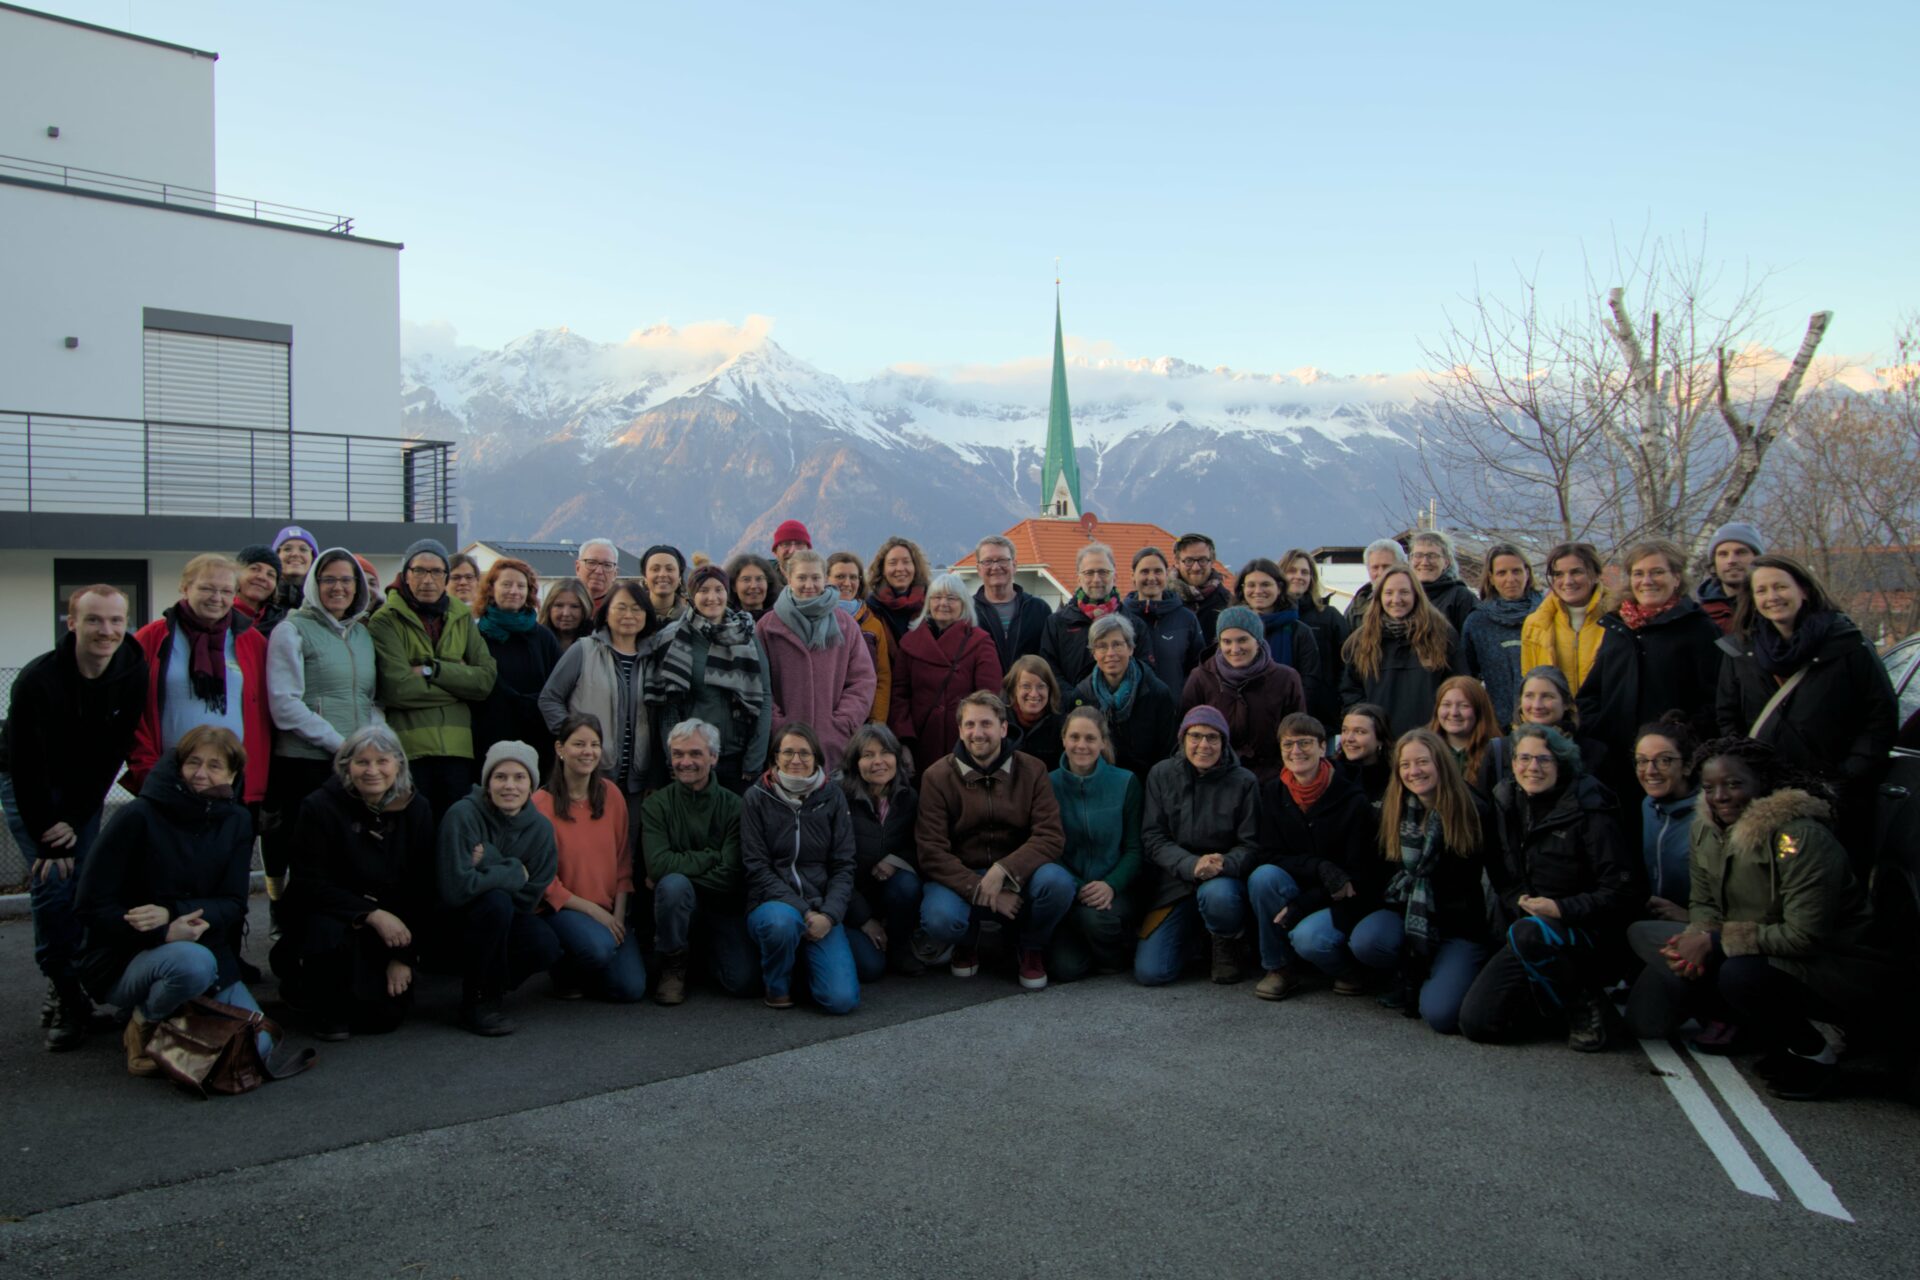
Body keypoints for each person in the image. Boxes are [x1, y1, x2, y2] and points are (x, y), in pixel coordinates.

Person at [1625, 738, 1889, 1101]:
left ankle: (1817, 1055)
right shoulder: (1706, 827)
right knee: (1650, 938)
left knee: (1740, 975)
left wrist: (1714, 942)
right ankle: (1765, 1035)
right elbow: (1703, 902)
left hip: (1833, 965)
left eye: (1734, 784)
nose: (1720, 796)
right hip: (1753, 948)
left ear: (1762, 783)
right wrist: (1696, 936)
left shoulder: (1799, 837)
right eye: (1710, 787)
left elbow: (1804, 936)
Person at [73, 727, 268, 1077]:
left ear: (233, 775)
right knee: (190, 963)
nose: (201, 773)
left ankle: (178, 1014)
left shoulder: (237, 821)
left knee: (259, 1047)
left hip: (207, 952)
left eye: (215, 765)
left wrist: (173, 913)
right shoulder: (138, 816)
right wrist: (163, 932)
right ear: (177, 766)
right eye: (193, 762)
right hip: (125, 957)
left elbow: (234, 902)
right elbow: (89, 905)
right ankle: (143, 1020)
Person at [0, 584, 145, 1050]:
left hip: (83, 785)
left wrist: (80, 813)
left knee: (81, 884)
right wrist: (49, 832)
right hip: (30, 784)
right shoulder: (38, 679)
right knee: (53, 881)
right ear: (72, 623)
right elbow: (25, 763)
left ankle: (72, 983)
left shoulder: (132, 669)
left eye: (116, 621)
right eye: (94, 620)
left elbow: (113, 751)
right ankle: (64, 992)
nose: (107, 630)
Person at [1459, 725, 1635, 1051]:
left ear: (1562, 763)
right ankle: (1553, 1004)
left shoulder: (1590, 806)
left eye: (1544, 760)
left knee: (1530, 934)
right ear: (1512, 763)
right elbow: (1500, 871)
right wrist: (1519, 900)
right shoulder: (1506, 797)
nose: (1533, 768)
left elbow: (1621, 892)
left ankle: (1585, 1003)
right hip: (1529, 928)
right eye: (1524, 758)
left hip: (1588, 933)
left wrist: (1560, 909)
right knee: (1477, 1023)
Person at [1715, 554, 1897, 861]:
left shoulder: (1847, 644)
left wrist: (1847, 775)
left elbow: (1880, 715)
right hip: (1764, 798)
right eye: (1762, 590)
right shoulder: (1739, 651)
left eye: (1780, 587)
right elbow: (1728, 715)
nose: (1772, 597)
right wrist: (1746, 770)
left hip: (1836, 797)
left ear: (1804, 590)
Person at [273, 725, 435, 1040]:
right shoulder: (319, 806)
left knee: (383, 1019)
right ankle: (311, 992)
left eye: (382, 761)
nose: (372, 770)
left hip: (391, 925)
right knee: (332, 993)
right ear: (346, 766)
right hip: (330, 915)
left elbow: (423, 887)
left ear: (398, 764)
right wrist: (370, 914)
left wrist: (404, 957)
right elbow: (309, 882)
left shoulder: (417, 808)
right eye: (362, 762)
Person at [916, 691, 1072, 989]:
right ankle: (967, 939)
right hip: (962, 875)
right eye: (970, 725)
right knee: (940, 917)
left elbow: (1050, 836)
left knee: (1058, 883)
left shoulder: (1033, 770)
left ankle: (1030, 947)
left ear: (1003, 727)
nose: (978, 733)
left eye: (986, 724)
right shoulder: (936, 777)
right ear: (960, 730)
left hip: (1018, 873)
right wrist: (982, 890)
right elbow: (931, 851)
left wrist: (1003, 871)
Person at [264, 547, 381, 935]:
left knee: (343, 858)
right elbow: (284, 704)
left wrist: (374, 746)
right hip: (305, 764)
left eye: (347, 580)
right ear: (315, 583)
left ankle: (336, 936)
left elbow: (368, 700)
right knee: (305, 857)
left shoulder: (362, 634)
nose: (338, 587)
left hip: (353, 766)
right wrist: (342, 745)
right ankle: (292, 938)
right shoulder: (292, 629)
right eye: (328, 579)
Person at [1346, 729, 1490, 1034]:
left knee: (1439, 1014)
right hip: (1409, 914)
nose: (1414, 772)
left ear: (1440, 763)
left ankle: (1452, 970)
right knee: (1366, 940)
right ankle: (1411, 971)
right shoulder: (1395, 810)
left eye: (1422, 762)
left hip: (1459, 927)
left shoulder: (1473, 810)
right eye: (1405, 765)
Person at [1251, 713, 1384, 998]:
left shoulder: (1351, 797)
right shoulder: (1274, 791)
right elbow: (1267, 854)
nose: (1296, 751)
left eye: (1305, 743)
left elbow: (1356, 876)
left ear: (1323, 746)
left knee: (1310, 940)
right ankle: (1280, 968)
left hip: (1343, 898)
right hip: (1303, 883)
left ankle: (1347, 970)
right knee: (1263, 878)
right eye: (1288, 745)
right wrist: (1319, 866)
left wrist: (1303, 903)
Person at [1574, 539, 1722, 794]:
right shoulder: (1618, 627)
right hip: (1617, 762)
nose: (1647, 581)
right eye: (1638, 573)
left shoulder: (1699, 629)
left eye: (1657, 572)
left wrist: (1681, 736)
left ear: (1676, 578)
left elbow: (1717, 700)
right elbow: (1592, 693)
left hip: (1673, 767)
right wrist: (1600, 732)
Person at [435, 740, 561, 1035]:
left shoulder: (541, 828)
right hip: (456, 920)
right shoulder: (462, 815)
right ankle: (477, 1001)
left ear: (532, 785)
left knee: (546, 944)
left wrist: (488, 860)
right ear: (487, 782)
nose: (509, 786)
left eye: (520, 777)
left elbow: (530, 897)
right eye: (500, 777)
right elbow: (456, 888)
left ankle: (492, 986)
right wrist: (514, 870)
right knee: (496, 902)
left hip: (507, 916)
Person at [367, 539, 499, 821]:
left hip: (459, 748)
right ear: (405, 574)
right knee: (415, 835)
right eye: (419, 571)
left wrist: (432, 670)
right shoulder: (385, 620)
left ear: (445, 577)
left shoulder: (461, 616)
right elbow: (397, 688)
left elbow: (485, 681)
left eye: (436, 572)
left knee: (454, 832)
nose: (428, 579)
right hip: (408, 749)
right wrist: (460, 683)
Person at [127, 554, 272, 806]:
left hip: (233, 780)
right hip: (168, 776)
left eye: (226, 591)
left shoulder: (252, 642)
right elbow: (132, 712)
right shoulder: (151, 638)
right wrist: (146, 770)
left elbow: (264, 713)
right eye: (206, 588)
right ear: (185, 588)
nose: (217, 598)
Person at [1136, 705, 1264, 986]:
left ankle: (1227, 942)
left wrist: (1222, 864)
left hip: (1223, 882)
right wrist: (1191, 865)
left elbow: (1251, 844)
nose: (1203, 745)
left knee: (1217, 896)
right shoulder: (1161, 774)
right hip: (1175, 884)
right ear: (1183, 739)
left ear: (1223, 742)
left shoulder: (1244, 782)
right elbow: (1153, 837)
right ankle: (1197, 938)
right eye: (1195, 736)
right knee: (1151, 972)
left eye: (1212, 738)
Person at [741, 722, 860, 1014]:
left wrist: (829, 916)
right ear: (775, 759)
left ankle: (805, 966)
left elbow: (844, 865)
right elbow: (756, 868)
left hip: (822, 907)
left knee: (840, 1001)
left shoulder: (832, 796)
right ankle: (778, 986)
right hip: (772, 905)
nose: (796, 760)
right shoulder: (756, 797)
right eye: (788, 752)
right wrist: (802, 911)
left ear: (817, 759)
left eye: (804, 753)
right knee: (783, 924)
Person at [532, 714, 645, 1003]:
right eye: (579, 744)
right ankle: (565, 970)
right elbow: (546, 882)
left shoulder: (612, 795)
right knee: (599, 947)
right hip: (563, 910)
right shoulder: (540, 804)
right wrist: (598, 915)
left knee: (631, 989)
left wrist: (617, 917)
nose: (588, 751)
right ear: (560, 749)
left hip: (608, 910)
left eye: (595, 744)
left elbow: (623, 863)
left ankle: (591, 971)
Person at [641, 719, 756, 1005]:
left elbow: (729, 875)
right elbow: (657, 866)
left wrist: (675, 870)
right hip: (676, 909)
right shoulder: (656, 805)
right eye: (678, 754)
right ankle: (674, 964)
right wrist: (710, 856)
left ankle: (703, 956)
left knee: (743, 982)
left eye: (695, 753)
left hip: (721, 908)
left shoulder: (735, 806)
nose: (685, 762)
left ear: (714, 757)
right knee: (674, 887)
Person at [539, 580, 669, 830]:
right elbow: (549, 698)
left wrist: (654, 774)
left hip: (637, 780)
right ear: (606, 612)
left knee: (625, 850)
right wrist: (573, 736)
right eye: (620, 607)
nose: (628, 615)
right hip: (589, 771)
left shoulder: (654, 657)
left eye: (636, 608)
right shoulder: (584, 650)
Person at [648, 564, 772, 793]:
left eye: (718, 589)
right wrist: (673, 759)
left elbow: (763, 697)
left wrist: (755, 759)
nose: (712, 597)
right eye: (703, 590)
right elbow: (667, 708)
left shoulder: (746, 635)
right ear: (691, 595)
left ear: (727, 593)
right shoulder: (673, 638)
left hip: (738, 759)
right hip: (692, 759)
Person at [1047, 706, 1144, 982]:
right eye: (1074, 737)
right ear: (1063, 739)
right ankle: (1090, 945)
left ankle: (1115, 955)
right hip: (1071, 890)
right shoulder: (1047, 783)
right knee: (1066, 969)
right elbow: (1046, 848)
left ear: (1103, 742)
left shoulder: (1125, 782)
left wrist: (1111, 884)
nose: (1081, 745)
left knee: (1096, 919)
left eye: (1090, 738)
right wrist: (1076, 886)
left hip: (1115, 891)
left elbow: (1135, 849)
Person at [757, 549, 878, 768]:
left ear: (825, 579)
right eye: (802, 578)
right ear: (789, 578)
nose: (809, 584)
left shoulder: (845, 625)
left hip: (832, 745)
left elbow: (863, 680)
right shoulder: (768, 627)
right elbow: (758, 684)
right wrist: (777, 724)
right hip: (785, 746)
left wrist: (843, 722)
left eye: (815, 577)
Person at [889, 573, 1004, 769]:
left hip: (965, 742)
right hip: (920, 742)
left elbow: (989, 696)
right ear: (928, 603)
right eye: (937, 597)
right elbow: (899, 696)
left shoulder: (980, 642)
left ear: (964, 604)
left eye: (951, 598)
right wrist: (904, 741)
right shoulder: (910, 643)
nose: (943, 603)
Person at [836, 724, 924, 978]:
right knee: (871, 968)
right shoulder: (839, 799)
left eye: (885, 753)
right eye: (867, 755)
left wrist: (895, 861)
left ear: (896, 757)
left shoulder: (909, 797)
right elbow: (831, 866)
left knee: (907, 885)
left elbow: (920, 845)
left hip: (889, 894)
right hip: (849, 900)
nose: (878, 762)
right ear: (855, 762)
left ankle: (900, 946)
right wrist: (864, 919)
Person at [1180, 605, 1304, 784]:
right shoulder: (1201, 678)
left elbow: (1297, 733)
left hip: (1271, 780)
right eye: (1227, 641)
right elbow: (1185, 733)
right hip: (1215, 780)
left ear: (1257, 640)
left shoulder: (1286, 679)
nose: (1235, 649)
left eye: (1243, 640)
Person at [1338, 567, 1458, 752]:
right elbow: (1351, 692)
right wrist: (1368, 729)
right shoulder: (1362, 641)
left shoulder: (1442, 635)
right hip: (1378, 747)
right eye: (1389, 593)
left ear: (1416, 595)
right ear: (1379, 597)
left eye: (1404, 592)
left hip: (1431, 744)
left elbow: (1457, 687)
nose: (1396, 600)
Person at [471, 557, 562, 778]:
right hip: (486, 735)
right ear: (491, 589)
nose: (514, 591)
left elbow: (558, 687)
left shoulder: (543, 637)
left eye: (521, 586)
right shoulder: (475, 634)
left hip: (536, 737)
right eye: (506, 584)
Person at [1067, 613, 1176, 780]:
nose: (1110, 653)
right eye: (1102, 646)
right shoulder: (1081, 697)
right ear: (1094, 653)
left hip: (1146, 784)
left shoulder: (1157, 693)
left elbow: (1166, 754)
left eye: (1117, 644)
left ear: (1131, 648)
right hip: (1100, 785)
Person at [1041, 543, 1150, 688]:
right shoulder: (1057, 623)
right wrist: (1073, 699)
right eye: (1089, 573)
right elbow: (1049, 670)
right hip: (1072, 708)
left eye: (1103, 572)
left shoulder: (1135, 624)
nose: (1097, 579)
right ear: (1079, 579)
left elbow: (1144, 672)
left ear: (1115, 576)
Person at [1229, 557, 1326, 717]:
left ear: (1279, 588)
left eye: (1265, 584)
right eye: (1251, 585)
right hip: (1238, 719)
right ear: (1242, 589)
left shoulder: (1299, 632)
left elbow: (1309, 683)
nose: (1258, 591)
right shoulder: (1230, 629)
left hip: (1286, 720)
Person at [1460, 542, 1542, 727]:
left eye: (1516, 571)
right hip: (1497, 725)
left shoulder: (1547, 614)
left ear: (1527, 573)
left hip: (1545, 721)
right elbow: (1469, 677)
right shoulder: (1477, 622)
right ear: (1491, 577)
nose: (1510, 579)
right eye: (1502, 573)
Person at [1520, 541, 1614, 694]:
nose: (1567, 581)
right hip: (1556, 716)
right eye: (1558, 574)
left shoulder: (1618, 619)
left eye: (1576, 572)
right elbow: (1528, 684)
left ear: (1596, 575)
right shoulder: (1536, 624)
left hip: (1606, 716)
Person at [1635, 713, 1699, 924]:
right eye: (1642, 761)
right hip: (1660, 920)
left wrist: (1690, 916)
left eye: (1664, 760)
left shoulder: (1709, 814)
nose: (1650, 771)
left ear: (1688, 766)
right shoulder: (1648, 806)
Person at [1280, 548, 1351, 725]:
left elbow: (1347, 663)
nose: (1299, 576)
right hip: (1279, 710)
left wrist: (1340, 700)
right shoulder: (1271, 617)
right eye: (1292, 571)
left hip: (1322, 714)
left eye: (1305, 572)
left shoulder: (1330, 616)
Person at [1123, 546, 1205, 695]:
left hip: (1175, 712)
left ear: (1166, 575)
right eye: (1144, 571)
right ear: (1132, 576)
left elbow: (1198, 669)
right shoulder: (1120, 619)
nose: (1152, 578)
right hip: (1131, 712)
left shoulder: (1187, 619)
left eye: (1158, 571)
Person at [827, 551, 894, 725]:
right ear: (825, 579)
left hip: (865, 721)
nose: (847, 583)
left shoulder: (873, 625)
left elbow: (883, 676)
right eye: (840, 576)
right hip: (827, 718)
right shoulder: (816, 620)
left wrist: (877, 720)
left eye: (853, 577)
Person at [972, 534, 1052, 669]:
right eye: (988, 561)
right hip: (984, 689)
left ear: (1014, 565)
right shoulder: (967, 611)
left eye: (1002, 560)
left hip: (1028, 689)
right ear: (979, 569)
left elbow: (1050, 659)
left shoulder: (1038, 609)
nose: (996, 567)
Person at [1428, 675, 1499, 793]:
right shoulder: (1424, 750)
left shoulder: (1496, 754)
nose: (1454, 712)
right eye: (1446, 704)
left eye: (1464, 706)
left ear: (1479, 711)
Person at [1695, 521, 1764, 634]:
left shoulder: (1773, 606)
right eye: (1723, 554)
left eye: (1741, 552)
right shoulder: (1699, 617)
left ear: (1757, 558)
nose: (1731, 561)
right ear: (1714, 562)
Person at [1407, 530, 1479, 634]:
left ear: (1446, 562)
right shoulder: (1403, 595)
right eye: (1418, 555)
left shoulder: (1461, 597)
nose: (1424, 562)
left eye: (1432, 556)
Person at [865, 535, 933, 644]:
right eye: (893, 563)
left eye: (906, 562)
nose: (900, 568)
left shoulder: (932, 603)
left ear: (915, 567)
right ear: (883, 569)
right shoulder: (870, 607)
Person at [1005, 656, 1065, 769]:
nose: (1033, 694)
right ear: (1014, 689)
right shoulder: (999, 720)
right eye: (1026, 686)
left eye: (1041, 687)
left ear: (1050, 689)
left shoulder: (1061, 723)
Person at [1172, 533, 1232, 642]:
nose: (1196, 567)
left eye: (1202, 560)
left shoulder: (1227, 603)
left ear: (1212, 561)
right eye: (1189, 561)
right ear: (1177, 562)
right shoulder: (1163, 600)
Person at [1334, 703, 1393, 807]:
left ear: (1380, 739)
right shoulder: (1331, 773)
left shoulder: (1394, 778)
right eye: (1345, 730)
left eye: (1360, 732)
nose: (1349, 738)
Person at [1344, 537, 1407, 622]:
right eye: (1375, 568)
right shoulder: (1357, 607)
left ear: (1402, 566)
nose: (1380, 573)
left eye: (1386, 567)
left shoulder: (1419, 602)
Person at [232, 545, 284, 632]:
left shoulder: (281, 624)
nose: (262, 577)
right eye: (254, 569)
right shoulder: (219, 614)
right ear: (236, 573)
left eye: (270, 575)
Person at [538, 576, 594, 654]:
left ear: (585, 609)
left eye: (574, 606)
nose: (566, 613)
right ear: (549, 608)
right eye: (559, 605)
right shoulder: (535, 641)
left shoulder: (597, 645)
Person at [272, 525, 318, 616]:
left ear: (313, 558)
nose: (296, 554)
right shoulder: (263, 599)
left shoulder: (321, 601)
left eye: (303, 549)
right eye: (287, 549)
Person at [724, 552, 781, 622]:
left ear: (768, 583)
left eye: (759, 579)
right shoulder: (725, 622)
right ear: (733, 586)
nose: (753, 586)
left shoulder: (781, 618)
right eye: (746, 579)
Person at [641, 544, 689, 624]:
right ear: (645, 576)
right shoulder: (634, 617)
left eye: (669, 569)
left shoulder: (689, 620)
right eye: (655, 569)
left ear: (679, 576)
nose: (662, 574)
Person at [574, 538, 622, 616]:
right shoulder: (564, 606)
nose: (598, 571)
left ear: (615, 574)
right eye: (592, 563)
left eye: (607, 565)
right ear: (578, 568)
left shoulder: (620, 611)